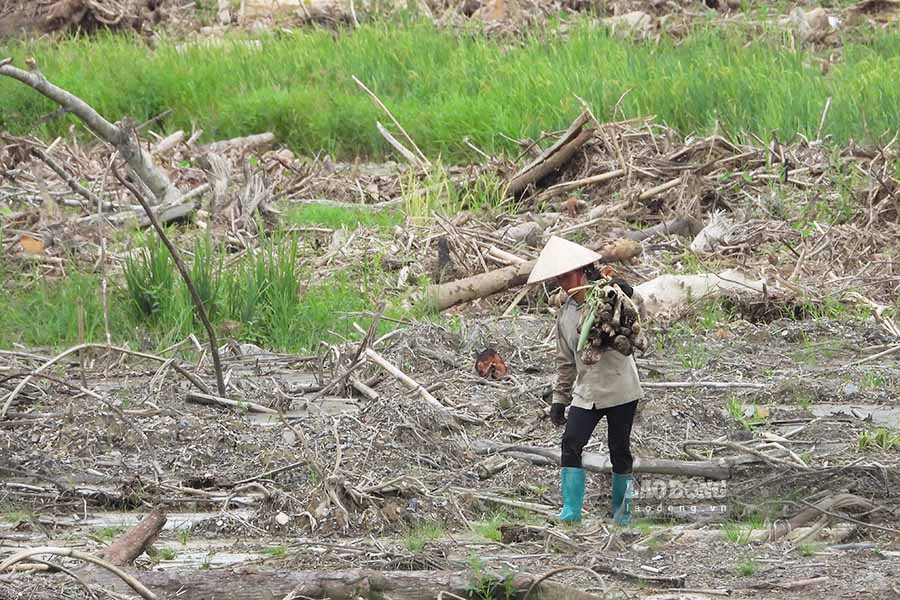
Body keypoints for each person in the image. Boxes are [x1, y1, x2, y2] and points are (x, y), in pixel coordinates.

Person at [527, 236, 644, 525]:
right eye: (559, 278)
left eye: (566, 276)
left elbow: (638, 317)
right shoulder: (565, 313)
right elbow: (565, 361)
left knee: (619, 450)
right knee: (570, 443)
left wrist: (625, 290)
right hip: (587, 391)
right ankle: (570, 512)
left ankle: (623, 514)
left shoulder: (610, 297)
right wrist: (559, 400)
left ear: (581, 271)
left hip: (620, 388)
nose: (563, 283)